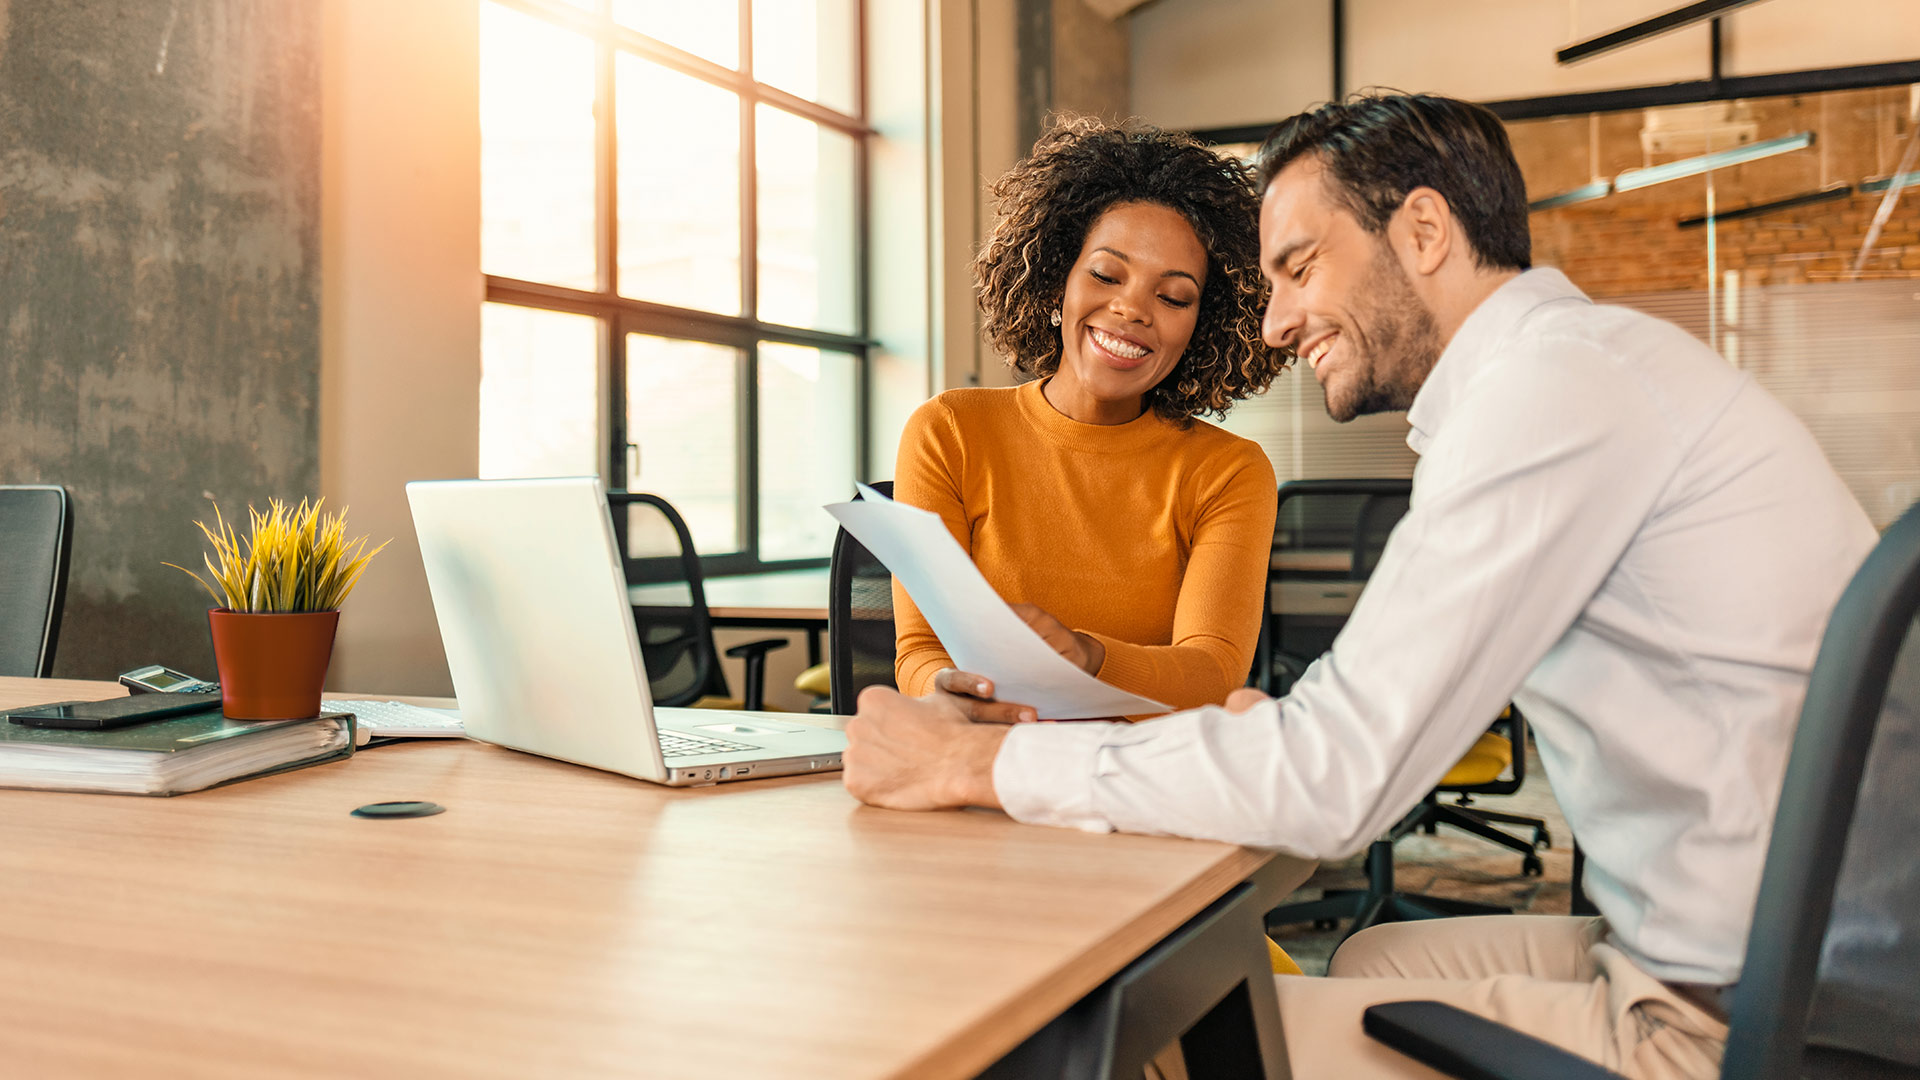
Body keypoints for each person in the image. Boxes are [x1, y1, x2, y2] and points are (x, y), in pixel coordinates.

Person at [841, 93, 1880, 1080]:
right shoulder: (1577, 369)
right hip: (1753, 945)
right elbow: (1340, 738)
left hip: (1746, 1012)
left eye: (1297, 268)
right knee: (1372, 963)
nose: (1278, 323)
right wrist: (1273, 741)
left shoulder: (1551, 395)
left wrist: (986, 770)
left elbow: (1339, 779)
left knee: (1159, 1030)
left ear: (1423, 233)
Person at [891, 116, 1287, 717]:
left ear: (1200, 328)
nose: (1131, 308)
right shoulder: (950, 430)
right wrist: (946, 690)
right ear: (1056, 283)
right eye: (1106, 274)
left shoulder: (1229, 470)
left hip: (1143, 775)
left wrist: (1086, 657)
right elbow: (920, 649)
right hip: (985, 756)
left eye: (1174, 296)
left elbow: (1213, 671)